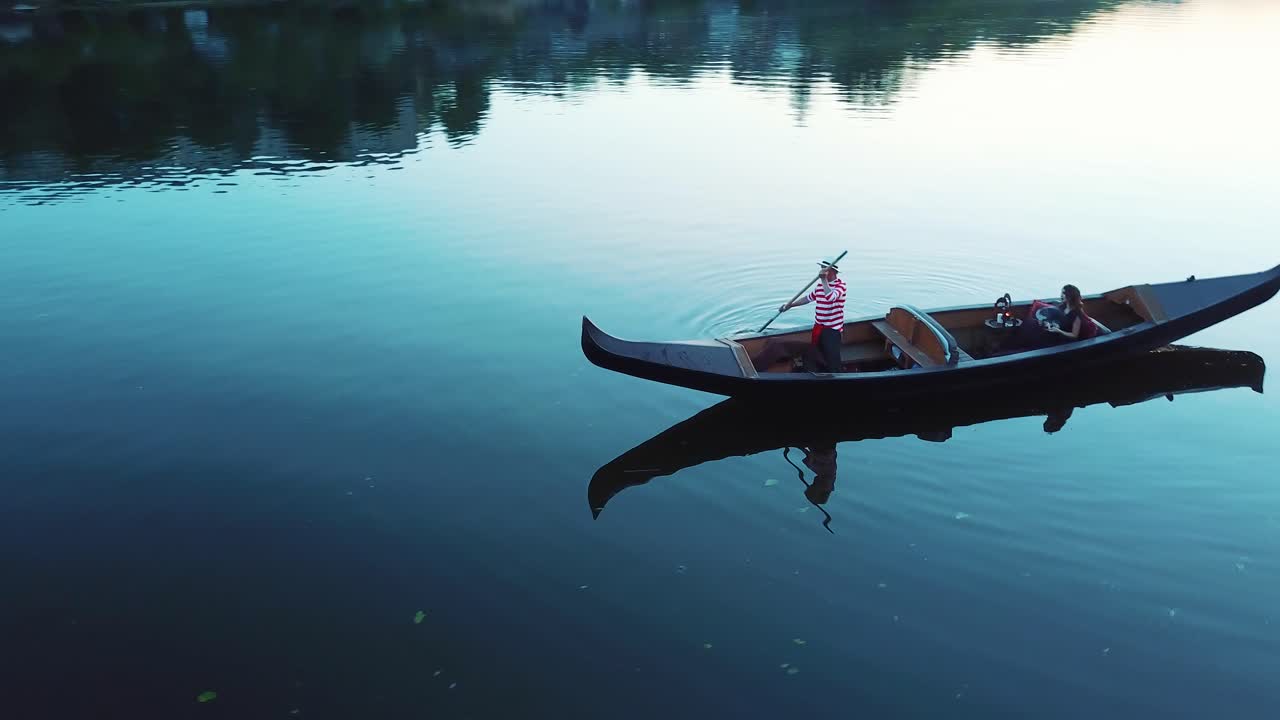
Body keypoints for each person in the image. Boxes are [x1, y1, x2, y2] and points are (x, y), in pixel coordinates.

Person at [778, 260, 847, 372]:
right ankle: (818, 373)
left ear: (833, 271)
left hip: (832, 331)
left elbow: (830, 297)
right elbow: (808, 298)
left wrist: (823, 280)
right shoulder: (820, 285)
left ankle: (836, 377)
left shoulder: (841, 286)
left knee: (832, 359)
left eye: (825, 268)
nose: (821, 271)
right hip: (819, 327)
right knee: (817, 354)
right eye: (822, 268)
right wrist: (790, 305)